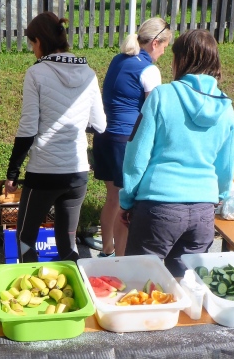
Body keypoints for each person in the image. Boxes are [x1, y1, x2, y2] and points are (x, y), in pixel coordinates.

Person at [119, 29, 234, 277]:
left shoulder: (162, 95)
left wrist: (127, 199)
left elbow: (137, 154)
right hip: (203, 209)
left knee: (139, 282)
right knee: (187, 286)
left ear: (180, 59)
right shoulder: (225, 106)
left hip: (158, 205)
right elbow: (226, 165)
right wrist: (220, 195)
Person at [5, 12, 106, 263]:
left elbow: (28, 128)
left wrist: (12, 172)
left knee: (25, 239)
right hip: (77, 172)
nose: (32, 50)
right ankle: (73, 285)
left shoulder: (36, 73)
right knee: (68, 242)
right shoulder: (89, 73)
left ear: (39, 41)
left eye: (32, 44)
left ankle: (29, 284)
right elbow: (100, 125)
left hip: (44, 173)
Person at [93, 17, 170, 258]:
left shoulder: (119, 59)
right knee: (126, 203)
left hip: (103, 137)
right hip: (124, 141)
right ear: (155, 43)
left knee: (112, 198)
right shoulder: (150, 70)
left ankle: (108, 250)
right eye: (165, 46)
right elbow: (153, 114)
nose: (164, 53)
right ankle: (121, 260)